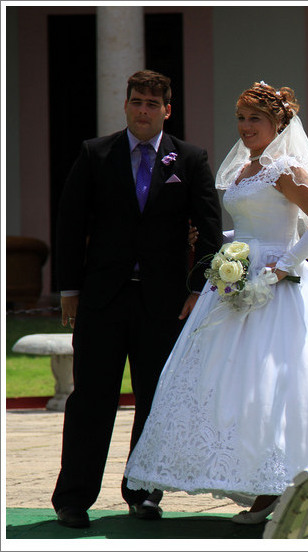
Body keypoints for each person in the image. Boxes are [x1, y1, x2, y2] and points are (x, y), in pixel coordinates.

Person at [124, 82, 308, 524]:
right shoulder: (244, 169)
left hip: (279, 288)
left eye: (255, 118)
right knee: (231, 383)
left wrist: (283, 266)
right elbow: (256, 227)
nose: (246, 126)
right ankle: (258, 480)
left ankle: (278, 488)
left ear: (279, 124)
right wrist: (229, 247)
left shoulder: (284, 168)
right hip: (238, 281)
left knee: (276, 382)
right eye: (241, 117)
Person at [52, 70, 223, 528]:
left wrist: (195, 290)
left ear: (167, 109)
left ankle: (143, 492)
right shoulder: (95, 154)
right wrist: (69, 290)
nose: (142, 110)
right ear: (125, 105)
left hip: (163, 303)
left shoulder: (189, 159)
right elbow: (69, 224)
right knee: (91, 399)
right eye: (136, 102)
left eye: (152, 103)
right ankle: (73, 498)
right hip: (102, 299)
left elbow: (209, 230)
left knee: (154, 401)